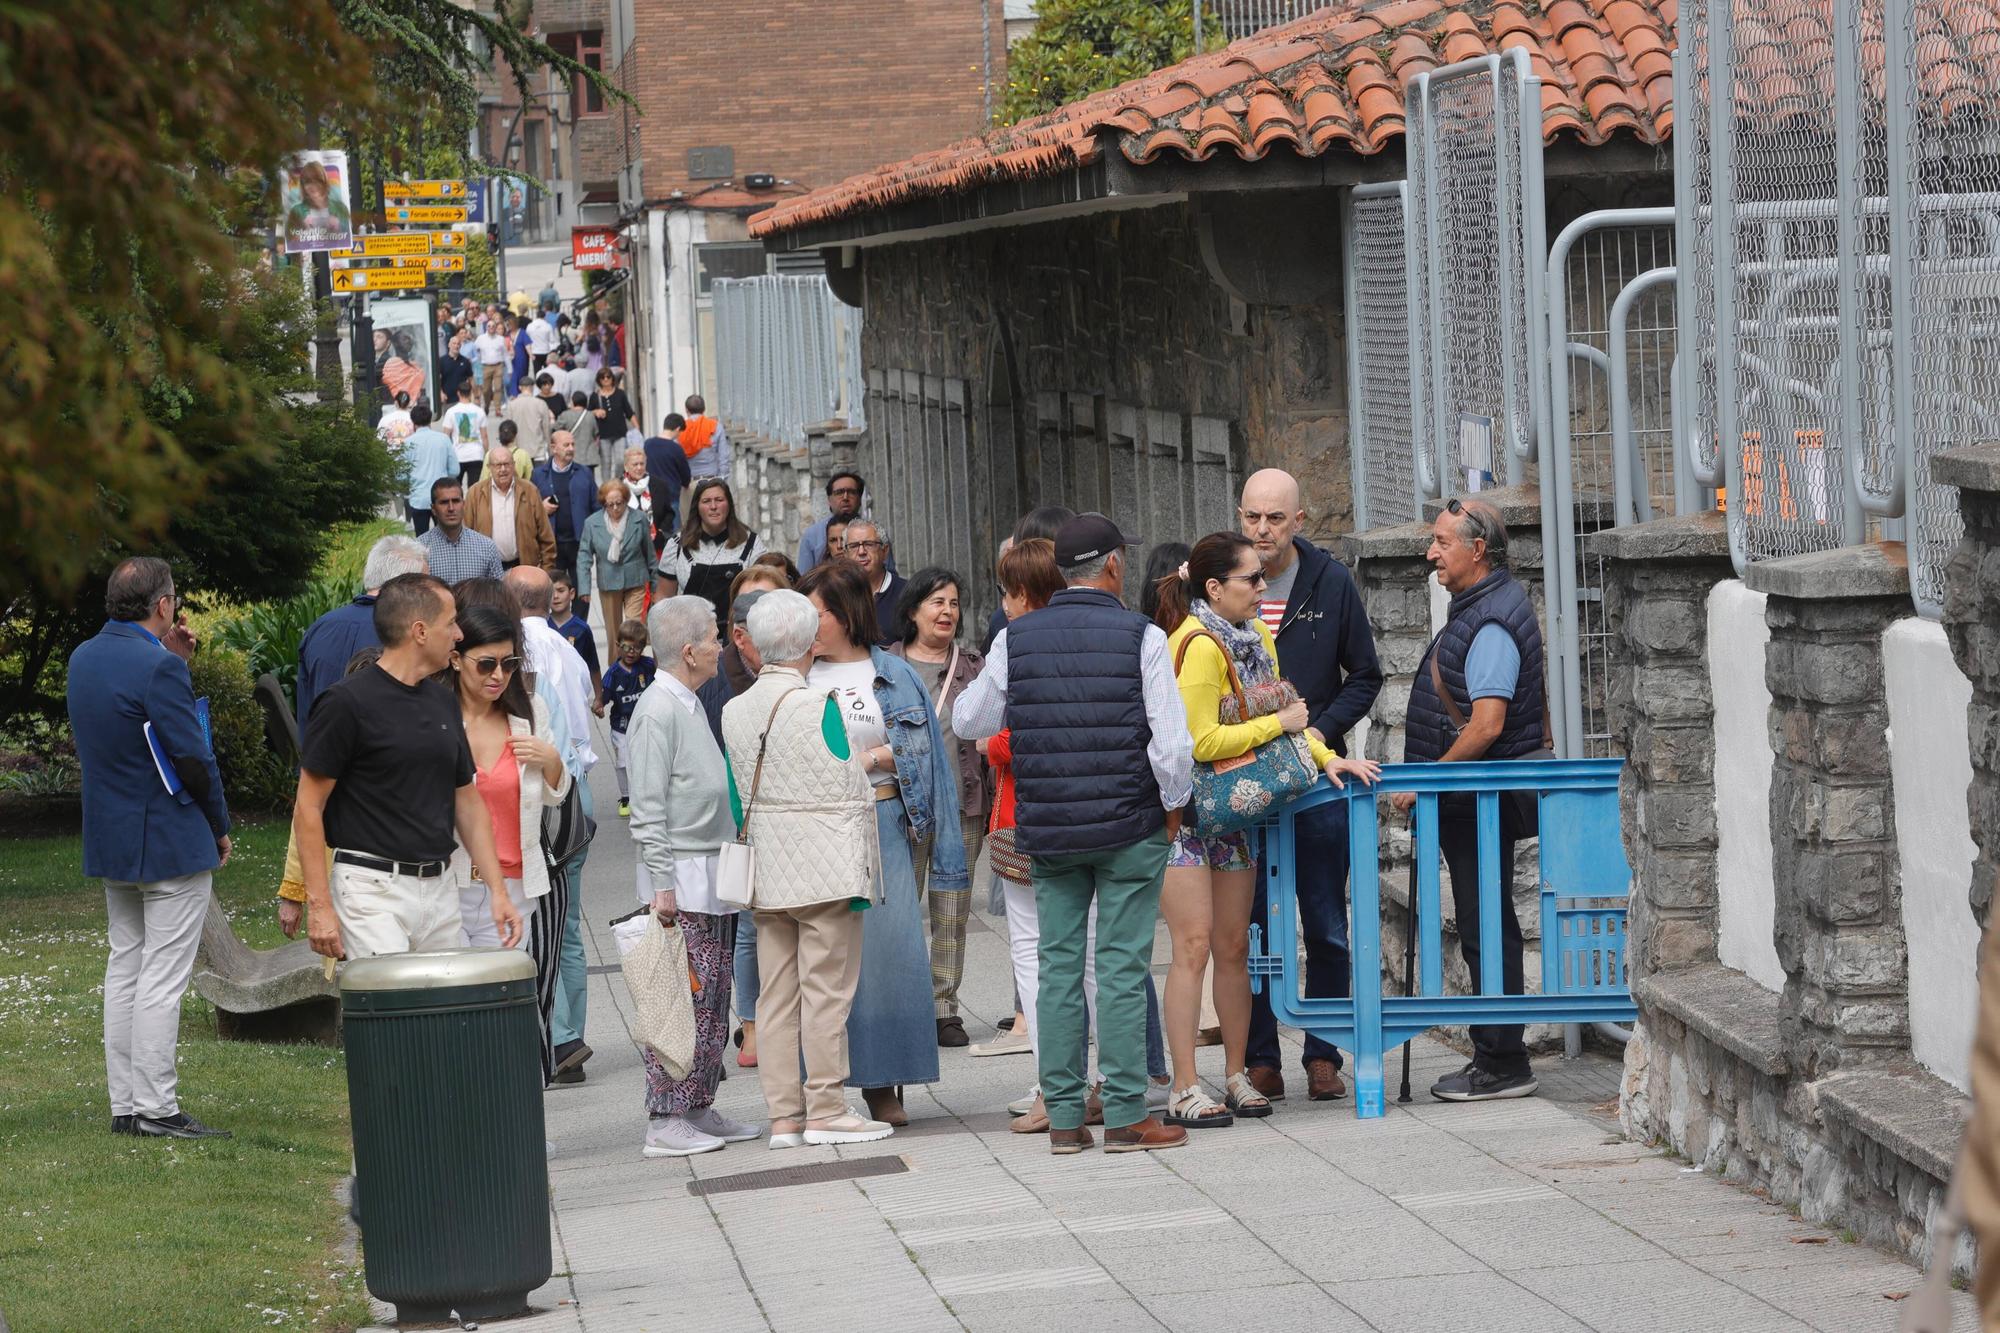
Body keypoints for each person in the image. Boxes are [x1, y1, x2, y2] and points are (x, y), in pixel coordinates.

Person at [953, 513, 1195, 1155]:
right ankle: (1122, 1115)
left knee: (1056, 967)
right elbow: (1172, 746)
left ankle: (1063, 1118)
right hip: (1128, 824)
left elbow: (969, 716)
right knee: (1118, 965)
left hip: (1050, 827)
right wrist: (1172, 810)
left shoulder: (1015, 638)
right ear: (1112, 566)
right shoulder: (1140, 635)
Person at [1152, 532, 1380, 1129]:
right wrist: (1280, 723)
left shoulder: (1252, 639)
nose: (1261, 587)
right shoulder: (1197, 646)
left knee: (1234, 949)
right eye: (1250, 579)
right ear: (1213, 588)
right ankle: (1183, 1084)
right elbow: (1201, 741)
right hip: (1188, 819)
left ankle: (1235, 1075)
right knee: (1194, 948)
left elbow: (1286, 716)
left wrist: (1324, 755)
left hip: (1235, 817)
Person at [68, 558, 233, 1140]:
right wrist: (218, 825)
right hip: (166, 838)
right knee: (162, 976)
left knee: (126, 968)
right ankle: (158, 1108)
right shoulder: (158, 666)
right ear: (163, 605)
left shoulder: (83, 658)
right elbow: (193, 758)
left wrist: (175, 663)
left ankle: (126, 1105)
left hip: (113, 838)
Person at [797, 561, 966, 1128]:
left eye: (816, 612)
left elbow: (933, 762)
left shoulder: (892, 671)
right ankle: (824, 1085)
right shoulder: (795, 677)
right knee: (827, 958)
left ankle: (883, 1083)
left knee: (891, 956)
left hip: (888, 821)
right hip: (820, 829)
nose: (808, 622)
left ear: (845, 614)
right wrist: (870, 758)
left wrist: (948, 858)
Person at [722, 590, 894, 1147]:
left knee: (774, 995)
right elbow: (849, 781)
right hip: (825, 868)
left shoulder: (733, 709)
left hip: (768, 870)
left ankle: (783, 1118)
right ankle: (825, 1107)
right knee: (825, 991)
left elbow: (734, 793)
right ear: (808, 642)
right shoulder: (819, 705)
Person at [1236, 468, 1384, 1104]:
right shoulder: (1221, 582)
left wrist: (1316, 734)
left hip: (1321, 785)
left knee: (1325, 921)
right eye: (1252, 517)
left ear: (1299, 521)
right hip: (1243, 782)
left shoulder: (1330, 582)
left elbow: (1366, 675)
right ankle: (1261, 1057)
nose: (1263, 530)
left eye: (1275, 518)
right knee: (1252, 926)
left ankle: (1324, 1052)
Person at [1396, 497, 1545, 1102]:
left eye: (1441, 542)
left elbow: (1485, 725)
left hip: (1479, 801)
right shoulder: (1486, 606)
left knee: (1488, 923)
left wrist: (1426, 781)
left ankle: (1503, 1061)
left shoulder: (1489, 620)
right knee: (1487, 920)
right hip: (1472, 800)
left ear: (1476, 550)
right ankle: (1498, 1054)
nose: (1431, 552)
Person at [294, 574, 519, 962]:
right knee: (392, 1015)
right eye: (450, 623)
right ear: (419, 631)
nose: (459, 634)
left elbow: (467, 803)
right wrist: (319, 906)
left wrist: (498, 892)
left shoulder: (443, 701)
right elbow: (307, 807)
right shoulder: (345, 704)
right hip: (371, 890)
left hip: (440, 888)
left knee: (444, 1018)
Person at [626, 598, 762, 1156]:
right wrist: (662, 885)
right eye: (713, 639)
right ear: (689, 651)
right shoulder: (658, 709)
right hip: (680, 876)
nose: (720, 648)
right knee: (682, 999)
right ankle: (665, 1115)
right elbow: (649, 807)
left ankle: (698, 1104)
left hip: (708, 869)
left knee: (712, 998)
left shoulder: (685, 701)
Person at [443, 604, 571, 1082]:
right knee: (459, 1016)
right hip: (452, 886)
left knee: (509, 1013)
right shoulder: (437, 717)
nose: (499, 675)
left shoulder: (528, 715)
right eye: (487, 664)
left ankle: (515, 1125)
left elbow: (557, 794)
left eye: (509, 663)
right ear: (456, 659)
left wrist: (551, 759)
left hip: (515, 889)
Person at [887, 568, 990, 1048]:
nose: (947, 611)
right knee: (900, 910)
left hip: (962, 806)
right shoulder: (884, 668)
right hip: (900, 807)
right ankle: (902, 1005)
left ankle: (945, 1009)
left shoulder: (974, 665)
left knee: (953, 910)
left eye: (953, 603)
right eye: (936, 602)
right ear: (912, 611)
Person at [505, 565, 600, 1083]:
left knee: (542, 917)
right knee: (569, 925)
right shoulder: (567, 647)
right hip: (576, 789)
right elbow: (586, 713)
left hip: (544, 793)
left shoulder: (519, 655)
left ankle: (560, 1034)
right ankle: (572, 1034)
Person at [298, 535, 428, 731]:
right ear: (407, 587)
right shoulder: (403, 633)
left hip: (320, 752)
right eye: (426, 587)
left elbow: (305, 708)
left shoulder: (319, 627)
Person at [659, 478, 764, 623]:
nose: (713, 506)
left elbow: (763, 596)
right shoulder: (676, 546)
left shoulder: (751, 544)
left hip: (737, 636)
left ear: (729, 504)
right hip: (691, 636)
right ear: (697, 507)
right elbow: (663, 597)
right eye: (706, 501)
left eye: (719, 500)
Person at [577, 476, 656, 634]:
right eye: (610, 504)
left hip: (636, 580)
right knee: (614, 632)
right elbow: (584, 557)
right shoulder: (592, 523)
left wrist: (655, 584)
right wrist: (584, 587)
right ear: (603, 503)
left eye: (619, 503)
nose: (615, 508)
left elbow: (650, 553)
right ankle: (615, 660)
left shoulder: (639, 518)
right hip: (608, 581)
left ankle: (633, 658)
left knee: (632, 630)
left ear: (626, 500)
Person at [467, 446, 557, 573]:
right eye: (498, 465)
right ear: (489, 467)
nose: (503, 469)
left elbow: (546, 535)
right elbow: (465, 534)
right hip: (487, 571)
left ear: (513, 465)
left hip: (524, 567)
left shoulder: (530, 490)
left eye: (506, 464)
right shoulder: (475, 493)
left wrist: (546, 571)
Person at [532, 430, 601, 592]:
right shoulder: (538, 475)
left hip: (579, 543)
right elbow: (529, 511)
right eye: (566, 445)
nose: (570, 448)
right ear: (553, 448)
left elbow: (596, 507)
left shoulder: (584, 473)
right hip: (552, 545)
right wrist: (541, 508)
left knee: (581, 591)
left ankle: (579, 618)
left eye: (573, 444)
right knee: (554, 592)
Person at [600, 619, 656, 818]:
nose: (632, 652)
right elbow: (603, 696)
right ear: (618, 646)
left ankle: (647, 795)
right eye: (627, 647)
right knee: (623, 762)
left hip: (645, 722)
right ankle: (626, 796)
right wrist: (599, 705)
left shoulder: (648, 666)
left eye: (637, 647)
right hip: (621, 726)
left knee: (647, 759)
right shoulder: (613, 674)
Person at [418, 476, 505, 585]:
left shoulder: (487, 547)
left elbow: (498, 593)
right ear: (433, 509)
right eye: (444, 502)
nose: (451, 508)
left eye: (455, 501)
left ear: (463, 504)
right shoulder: (419, 549)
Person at [398, 402, 457, 538]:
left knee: (421, 540)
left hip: (418, 498)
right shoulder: (443, 440)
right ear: (430, 419)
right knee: (445, 537)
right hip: (441, 497)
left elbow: (400, 476)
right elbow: (455, 470)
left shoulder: (407, 443)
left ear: (413, 422)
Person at [842, 519, 904, 644]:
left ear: (885, 551)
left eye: (869, 544)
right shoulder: (837, 594)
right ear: (845, 554)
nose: (861, 552)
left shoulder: (907, 593)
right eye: (854, 546)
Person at [796, 470, 866, 573]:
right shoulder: (812, 535)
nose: (845, 497)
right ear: (829, 500)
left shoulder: (875, 532)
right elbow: (804, 579)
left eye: (851, 492)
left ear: (860, 499)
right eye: (839, 493)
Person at [642, 414, 693, 549]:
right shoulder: (676, 449)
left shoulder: (648, 444)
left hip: (650, 497)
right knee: (674, 536)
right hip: (671, 498)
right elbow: (685, 476)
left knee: (651, 535)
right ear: (677, 429)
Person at [549, 571, 601, 705]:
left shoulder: (582, 629)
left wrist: (599, 697)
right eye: (551, 592)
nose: (555, 596)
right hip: (550, 695)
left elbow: (593, 665)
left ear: (571, 593)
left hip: (576, 694)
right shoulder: (543, 626)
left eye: (561, 591)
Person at [443, 379, 489, 485]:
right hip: (476, 454)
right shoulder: (479, 411)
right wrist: (486, 453)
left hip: (457, 455)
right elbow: (484, 436)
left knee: (455, 487)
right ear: (471, 392)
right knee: (474, 489)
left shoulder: (451, 412)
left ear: (458, 393)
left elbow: (446, 435)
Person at [502, 376, 556, 465]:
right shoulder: (541, 403)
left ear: (520, 387)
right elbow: (546, 428)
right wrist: (550, 449)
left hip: (518, 449)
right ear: (532, 387)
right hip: (538, 450)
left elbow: (508, 428)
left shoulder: (512, 405)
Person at [678, 394, 730, 480]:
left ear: (686, 410)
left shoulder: (680, 429)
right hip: (711, 480)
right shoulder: (715, 426)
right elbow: (723, 457)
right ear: (704, 409)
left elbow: (677, 457)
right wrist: (722, 479)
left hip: (689, 481)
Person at [588, 368, 636, 453]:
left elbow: (629, 412)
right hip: (603, 434)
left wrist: (637, 428)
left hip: (620, 433)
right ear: (599, 380)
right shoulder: (594, 396)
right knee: (606, 463)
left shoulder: (620, 393)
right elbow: (587, 414)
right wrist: (596, 412)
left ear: (612, 378)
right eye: (602, 377)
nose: (606, 379)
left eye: (608, 376)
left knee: (620, 460)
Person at [559, 391, 602, 481]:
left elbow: (556, 430)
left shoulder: (565, 415)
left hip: (571, 455)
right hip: (589, 456)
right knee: (589, 480)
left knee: (573, 480)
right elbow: (596, 432)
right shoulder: (590, 415)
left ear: (573, 401)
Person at [474, 318, 509, 415]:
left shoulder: (500, 339)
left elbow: (505, 354)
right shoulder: (481, 339)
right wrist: (476, 361)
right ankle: (487, 405)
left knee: (498, 387)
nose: (491, 328)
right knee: (486, 389)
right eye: (489, 326)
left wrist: (510, 369)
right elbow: (475, 350)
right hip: (485, 366)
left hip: (498, 365)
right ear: (486, 327)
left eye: (493, 326)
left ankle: (498, 409)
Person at [437, 330, 474, 408]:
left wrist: (472, 394)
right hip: (448, 400)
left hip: (463, 400)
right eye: (454, 343)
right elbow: (438, 379)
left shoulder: (465, 361)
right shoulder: (442, 361)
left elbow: (471, 378)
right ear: (449, 345)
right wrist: (441, 393)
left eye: (458, 344)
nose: (456, 346)